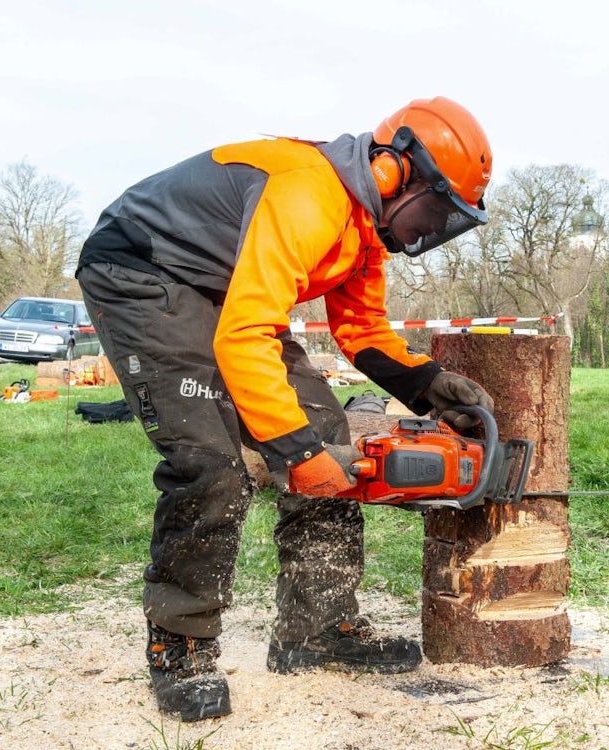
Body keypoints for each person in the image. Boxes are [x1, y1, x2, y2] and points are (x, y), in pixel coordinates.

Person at [75, 97, 496, 721]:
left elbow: (362, 331)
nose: (430, 231)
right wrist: (295, 454)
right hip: (142, 274)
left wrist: (431, 386)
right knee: (211, 462)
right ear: (395, 169)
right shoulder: (311, 195)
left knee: (327, 429)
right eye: (436, 211)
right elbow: (243, 336)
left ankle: (315, 629)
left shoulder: (363, 232)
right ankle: (181, 645)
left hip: (223, 290)